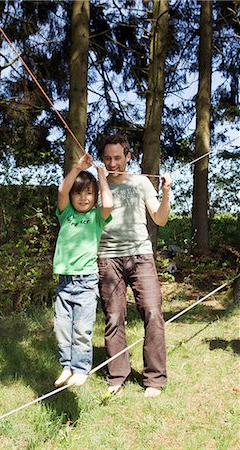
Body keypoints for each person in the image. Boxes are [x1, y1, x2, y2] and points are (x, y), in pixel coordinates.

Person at [97, 134, 172, 397]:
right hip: (107, 258)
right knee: (114, 316)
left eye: (118, 157)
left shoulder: (140, 182)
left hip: (140, 255)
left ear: (128, 156)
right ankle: (117, 375)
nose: (113, 163)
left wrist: (165, 193)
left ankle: (154, 379)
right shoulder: (97, 185)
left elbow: (160, 219)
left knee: (152, 312)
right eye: (107, 158)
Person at [53, 153, 113, 387]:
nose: (83, 198)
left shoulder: (97, 217)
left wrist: (102, 177)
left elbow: (108, 204)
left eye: (89, 193)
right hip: (64, 282)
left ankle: (81, 369)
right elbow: (61, 191)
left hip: (86, 282)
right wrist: (78, 167)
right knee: (62, 328)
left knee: (81, 329)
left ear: (95, 196)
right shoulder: (66, 214)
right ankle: (67, 366)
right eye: (78, 193)